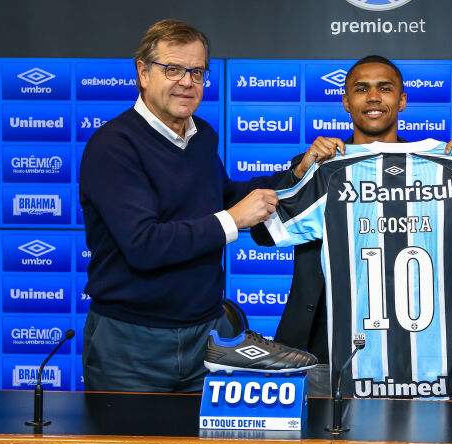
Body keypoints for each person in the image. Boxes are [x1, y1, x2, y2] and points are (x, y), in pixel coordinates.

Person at [79, 19, 315, 392]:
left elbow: (222, 197)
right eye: (173, 69)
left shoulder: (201, 134)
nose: (187, 82)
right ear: (143, 72)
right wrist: (233, 220)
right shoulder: (113, 146)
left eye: (197, 71)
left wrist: (295, 171)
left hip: (208, 338)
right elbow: (144, 245)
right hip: (130, 345)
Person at [252, 55, 452, 396]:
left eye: (384, 88)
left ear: (402, 100)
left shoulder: (445, 171)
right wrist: (301, 172)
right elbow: (263, 232)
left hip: (414, 357)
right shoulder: (317, 166)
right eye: (361, 89)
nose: (373, 97)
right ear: (346, 101)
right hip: (319, 346)